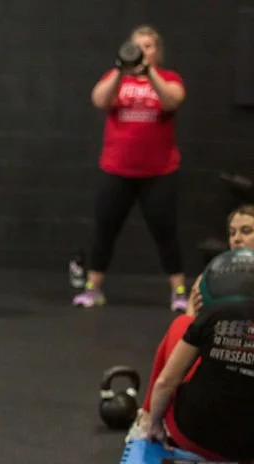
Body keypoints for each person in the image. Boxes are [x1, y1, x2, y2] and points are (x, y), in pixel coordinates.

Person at [74, 25, 188, 311]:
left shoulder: (169, 78)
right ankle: (93, 289)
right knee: (105, 230)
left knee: (166, 232)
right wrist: (120, 69)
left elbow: (172, 100)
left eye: (149, 46)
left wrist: (148, 72)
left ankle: (179, 293)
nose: (144, 51)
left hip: (159, 172)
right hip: (117, 170)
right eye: (139, 46)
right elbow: (99, 99)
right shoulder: (116, 79)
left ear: (157, 51)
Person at [131, 205, 254, 456]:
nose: (237, 239)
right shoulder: (209, 279)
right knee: (185, 329)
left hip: (194, 433)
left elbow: (186, 339)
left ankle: (148, 419)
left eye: (247, 231)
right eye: (232, 233)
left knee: (180, 329)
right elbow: (191, 332)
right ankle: (146, 413)